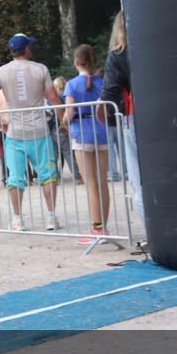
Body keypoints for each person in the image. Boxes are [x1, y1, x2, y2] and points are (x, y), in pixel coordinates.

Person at [0, 34, 63, 232]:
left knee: (15, 177)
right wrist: (63, 120)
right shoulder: (40, 69)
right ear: (26, 49)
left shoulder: (1, 71)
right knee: (48, 174)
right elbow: (53, 97)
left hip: (15, 132)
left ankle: (17, 220)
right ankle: (51, 218)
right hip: (39, 131)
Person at [97, 11, 144, 229]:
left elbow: (111, 90)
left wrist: (104, 108)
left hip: (134, 116)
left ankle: (153, 234)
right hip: (167, 115)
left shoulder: (119, 54)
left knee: (139, 180)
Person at [63, 44, 111, 244]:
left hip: (81, 133)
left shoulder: (72, 85)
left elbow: (70, 112)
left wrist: (63, 121)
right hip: (102, 132)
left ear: (76, 62)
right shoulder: (103, 82)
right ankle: (104, 228)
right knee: (102, 183)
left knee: (91, 184)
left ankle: (96, 229)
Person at [52, 77, 82, 184]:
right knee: (68, 153)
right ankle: (78, 176)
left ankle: (55, 177)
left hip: (53, 128)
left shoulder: (54, 98)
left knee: (53, 155)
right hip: (62, 127)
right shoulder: (66, 96)